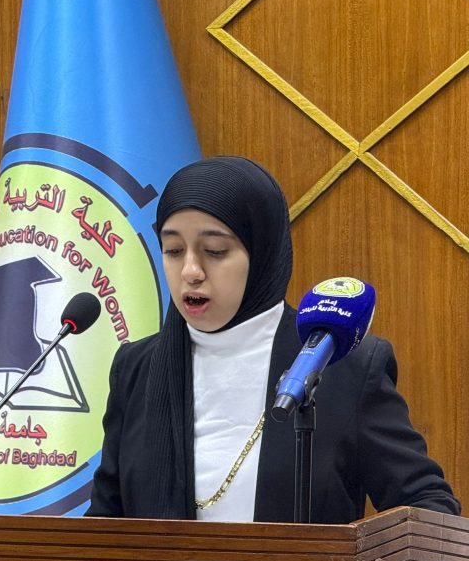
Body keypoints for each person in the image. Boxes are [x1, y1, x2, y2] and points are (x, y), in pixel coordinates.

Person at [87, 156, 460, 523]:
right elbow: (105, 525)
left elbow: (428, 506)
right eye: (173, 250)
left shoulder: (343, 364)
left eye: (215, 251)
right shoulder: (137, 369)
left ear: (262, 251)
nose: (190, 271)